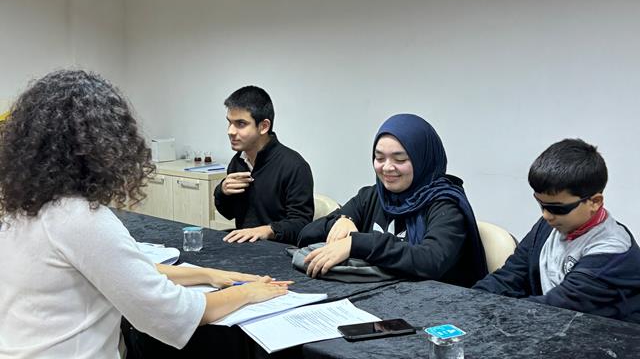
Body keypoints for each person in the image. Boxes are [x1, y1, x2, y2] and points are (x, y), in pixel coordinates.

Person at [0, 70, 287, 358]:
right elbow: (170, 313)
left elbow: (125, 271)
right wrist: (247, 292)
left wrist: (208, 274)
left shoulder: (22, 211)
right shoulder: (80, 220)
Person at [297, 113, 487, 286]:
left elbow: (430, 261)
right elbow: (306, 235)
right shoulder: (372, 195)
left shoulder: (446, 204)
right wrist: (342, 221)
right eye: (379, 158)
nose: (387, 167)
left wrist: (357, 244)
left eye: (400, 159)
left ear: (422, 160)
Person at [473, 139, 640, 323]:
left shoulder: (613, 253)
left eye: (557, 208)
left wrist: (484, 313)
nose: (546, 215)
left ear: (595, 202)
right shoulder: (550, 225)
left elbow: (554, 308)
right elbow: (509, 277)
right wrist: (467, 303)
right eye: (541, 205)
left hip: (601, 335)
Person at [214, 86, 314, 245]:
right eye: (229, 123)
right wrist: (222, 191)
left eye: (241, 124)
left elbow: (301, 225)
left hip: (280, 250)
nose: (230, 131)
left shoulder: (295, 166)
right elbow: (229, 213)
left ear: (264, 126)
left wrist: (267, 230)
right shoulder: (238, 162)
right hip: (245, 247)